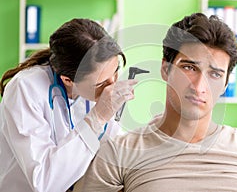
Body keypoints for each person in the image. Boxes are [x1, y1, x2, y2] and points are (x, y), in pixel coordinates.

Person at [73, 13, 237, 192]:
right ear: (165, 69)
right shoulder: (119, 152)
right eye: (189, 68)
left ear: (226, 83)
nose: (199, 86)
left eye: (215, 74)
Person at [0, 18, 137, 192]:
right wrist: (98, 117)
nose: (111, 88)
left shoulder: (93, 85)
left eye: (116, 72)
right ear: (68, 80)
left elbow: (114, 144)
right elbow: (44, 182)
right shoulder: (26, 89)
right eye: (101, 83)